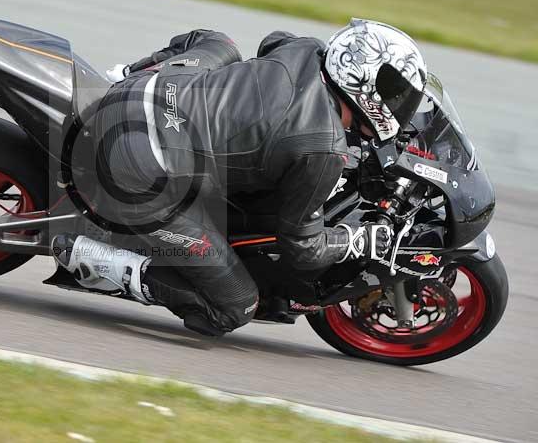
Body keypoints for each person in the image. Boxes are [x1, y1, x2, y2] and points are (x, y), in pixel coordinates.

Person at [52, 18, 427, 336]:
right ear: (363, 85)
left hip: (145, 92)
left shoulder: (307, 50)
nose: (400, 104)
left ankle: (124, 72)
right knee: (235, 306)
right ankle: (95, 260)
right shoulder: (324, 150)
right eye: (395, 93)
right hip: (139, 170)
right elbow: (302, 248)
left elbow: (272, 43)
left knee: (217, 43)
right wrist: (359, 239)